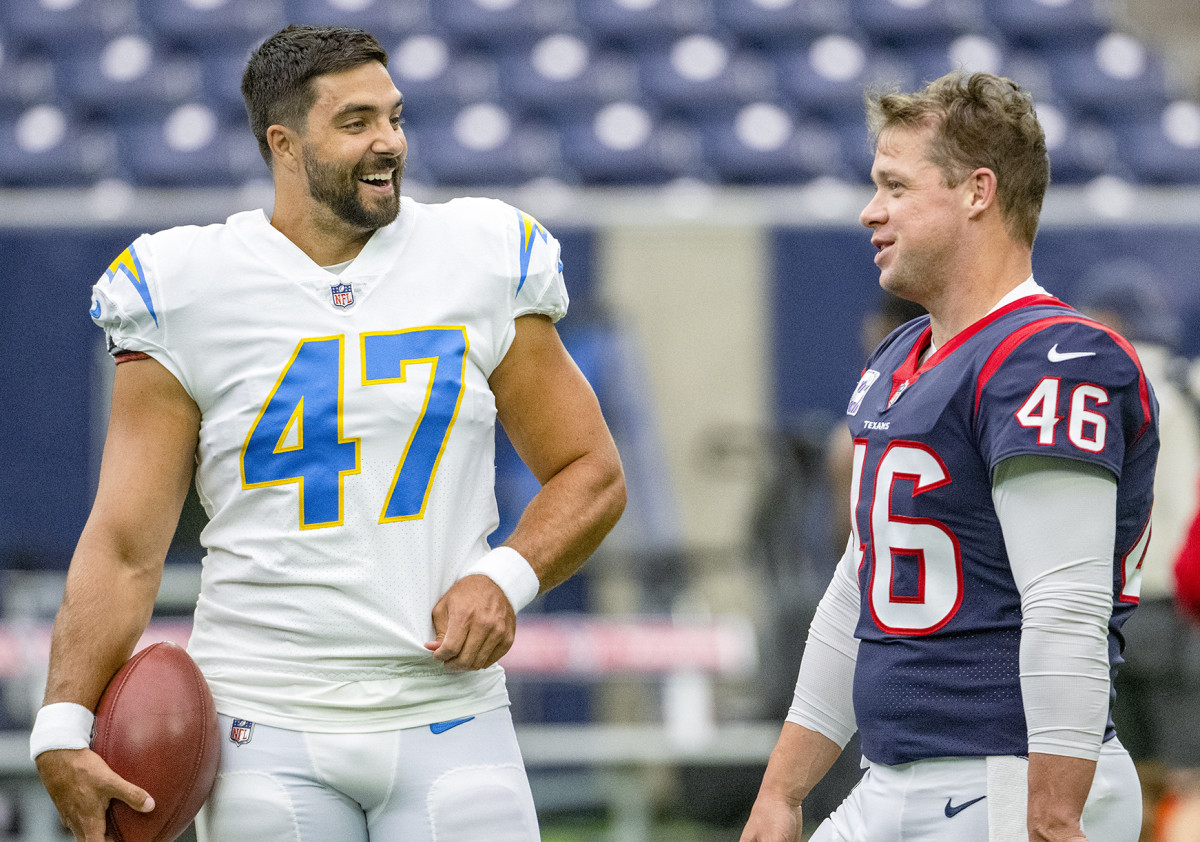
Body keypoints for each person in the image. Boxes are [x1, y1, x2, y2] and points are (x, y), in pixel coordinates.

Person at [30, 24, 625, 842]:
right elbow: (127, 544)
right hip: (262, 722)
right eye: (355, 123)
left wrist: (507, 576)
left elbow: (590, 469)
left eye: (395, 116)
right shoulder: (187, 285)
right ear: (284, 143)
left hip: (447, 711)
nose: (389, 143)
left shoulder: (479, 255)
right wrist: (62, 720)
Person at [740, 71, 1158, 842]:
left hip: (1005, 775)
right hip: (900, 774)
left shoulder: (1052, 357)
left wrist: (1055, 812)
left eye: (896, 186)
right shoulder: (905, 354)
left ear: (977, 192)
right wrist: (782, 789)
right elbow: (859, 587)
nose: (872, 211)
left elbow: (1066, 605)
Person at [1077, 266, 1200, 842]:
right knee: (1186, 772)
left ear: (1106, 322)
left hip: (1112, 603)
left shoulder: (1096, 386)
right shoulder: (1187, 383)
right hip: (1182, 606)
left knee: (1115, 772)